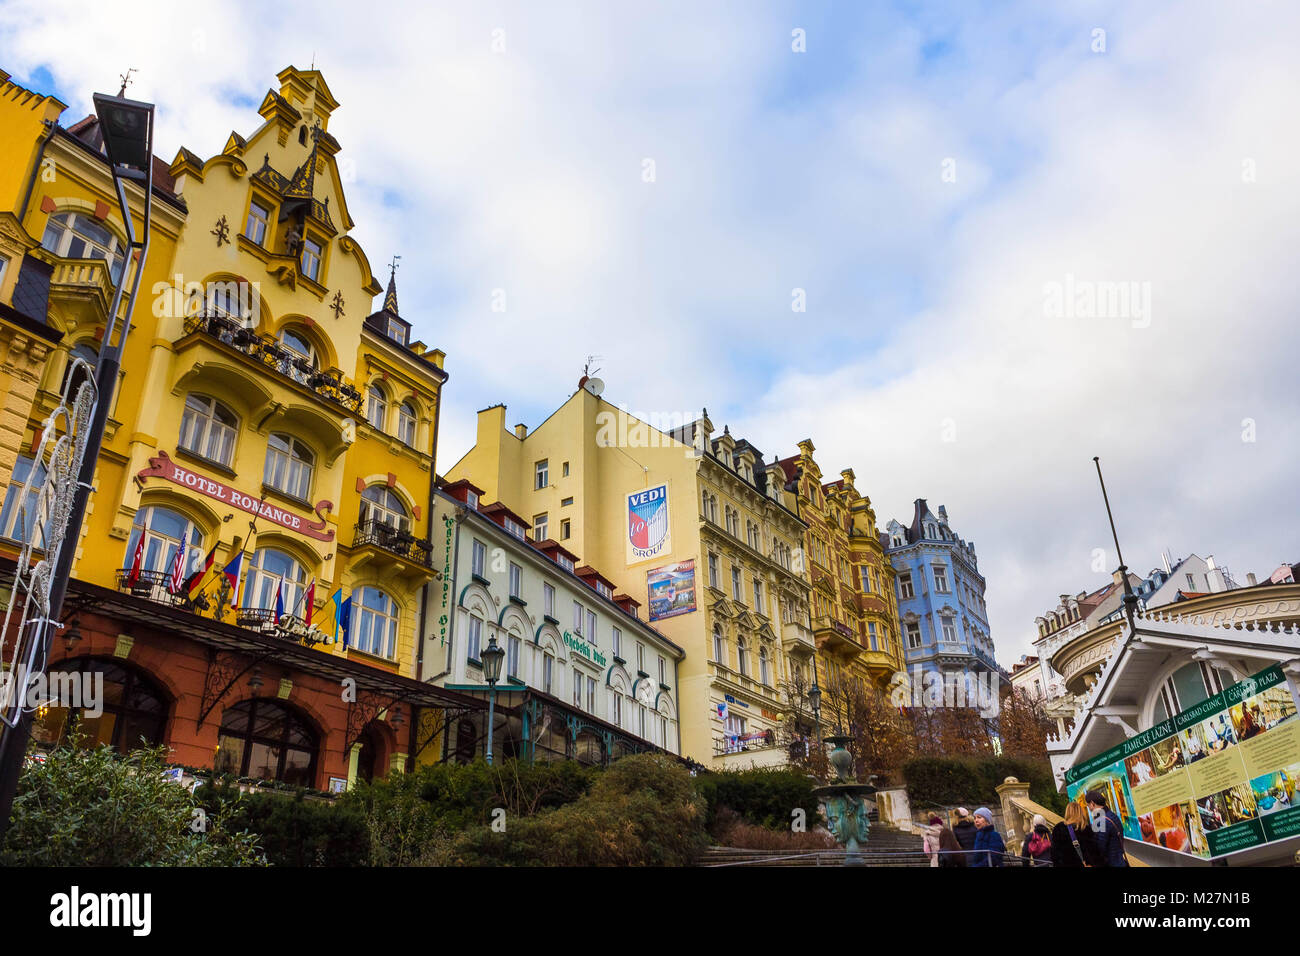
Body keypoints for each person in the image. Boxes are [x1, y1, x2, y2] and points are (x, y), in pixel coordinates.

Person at [1085, 790, 1128, 867]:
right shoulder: (1113, 815)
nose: (1089, 808)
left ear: (1092, 803)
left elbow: (1098, 848)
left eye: (1088, 805)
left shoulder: (1100, 821)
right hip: (1120, 861)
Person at [1050, 801, 1092, 866]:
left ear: (1067, 812)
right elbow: (1093, 853)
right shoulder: (1086, 829)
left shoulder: (1058, 828)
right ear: (1080, 812)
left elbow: (1054, 854)